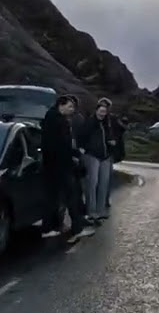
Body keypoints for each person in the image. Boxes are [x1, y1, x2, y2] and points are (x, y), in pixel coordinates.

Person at [41, 95, 93, 241]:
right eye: (70, 107)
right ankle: (77, 229)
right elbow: (62, 144)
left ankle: (49, 228)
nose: (72, 110)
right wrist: (74, 156)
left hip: (52, 165)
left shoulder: (51, 117)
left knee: (53, 198)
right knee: (72, 196)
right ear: (61, 105)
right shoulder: (58, 121)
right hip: (61, 165)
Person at [77, 99, 115, 221]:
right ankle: (91, 211)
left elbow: (110, 136)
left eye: (105, 111)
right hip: (92, 155)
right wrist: (83, 150)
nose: (102, 113)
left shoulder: (107, 123)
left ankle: (100, 210)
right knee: (92, 184)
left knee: (103, 184)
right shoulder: (89, 122)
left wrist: (111, 143)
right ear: (97, 110)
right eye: (101, 111)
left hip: (105, 156)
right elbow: (81, 137)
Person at [107, 113, 127, 210]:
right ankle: (105, 198)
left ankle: (105, 198)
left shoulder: (112, 119)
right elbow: (123, 128)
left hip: (110, 151)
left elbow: (122, 129)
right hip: (109, 151)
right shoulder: (113, 118)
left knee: (106, 176)